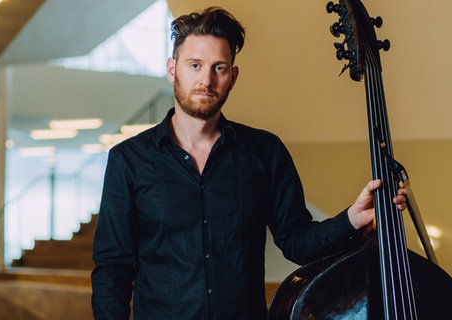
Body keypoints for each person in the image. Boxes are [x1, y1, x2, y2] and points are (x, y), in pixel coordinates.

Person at [91, 6, 407, 320]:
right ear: (173, 69)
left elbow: (297, 241)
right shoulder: (128, 160)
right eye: (195, 65)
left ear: (233, 76)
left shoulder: (265, 151)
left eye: (219, 67)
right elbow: (112, 268)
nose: (206, 80)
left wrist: (352, 218)